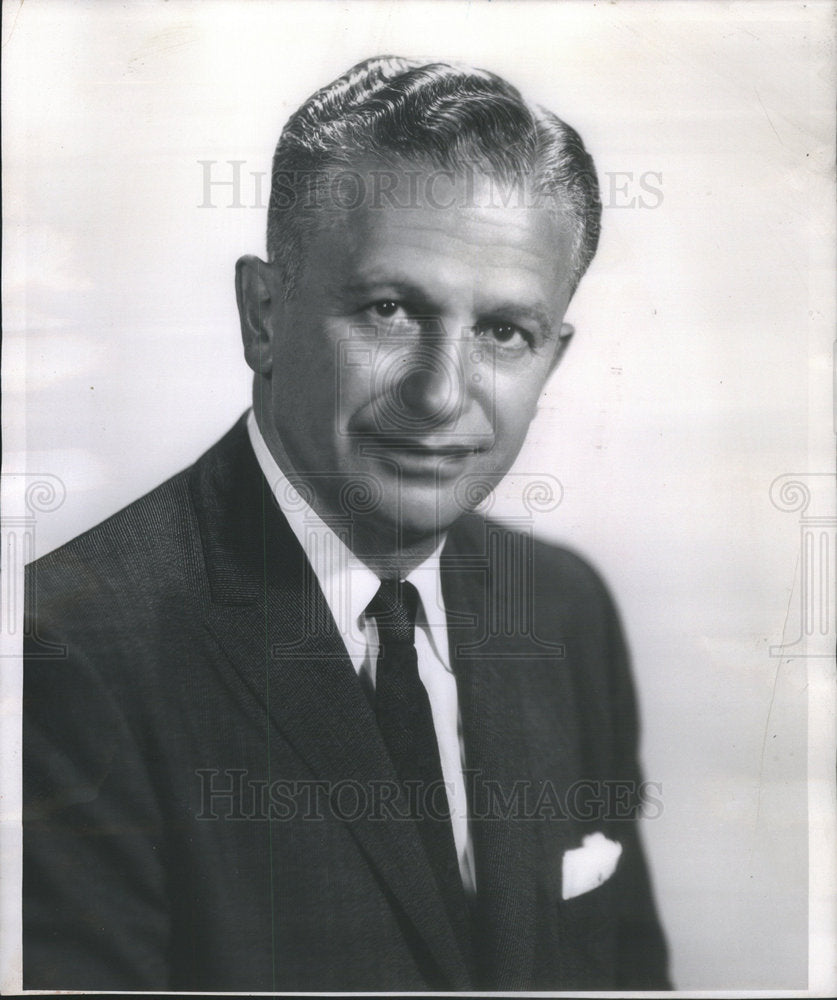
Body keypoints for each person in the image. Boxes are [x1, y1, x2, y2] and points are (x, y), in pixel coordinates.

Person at [23, 55, 670, 991]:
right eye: (390, 309)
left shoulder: (565, 611)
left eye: (503, 333)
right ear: (263, 315)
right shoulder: (66, 657)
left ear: (551, 358)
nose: (441, 395)